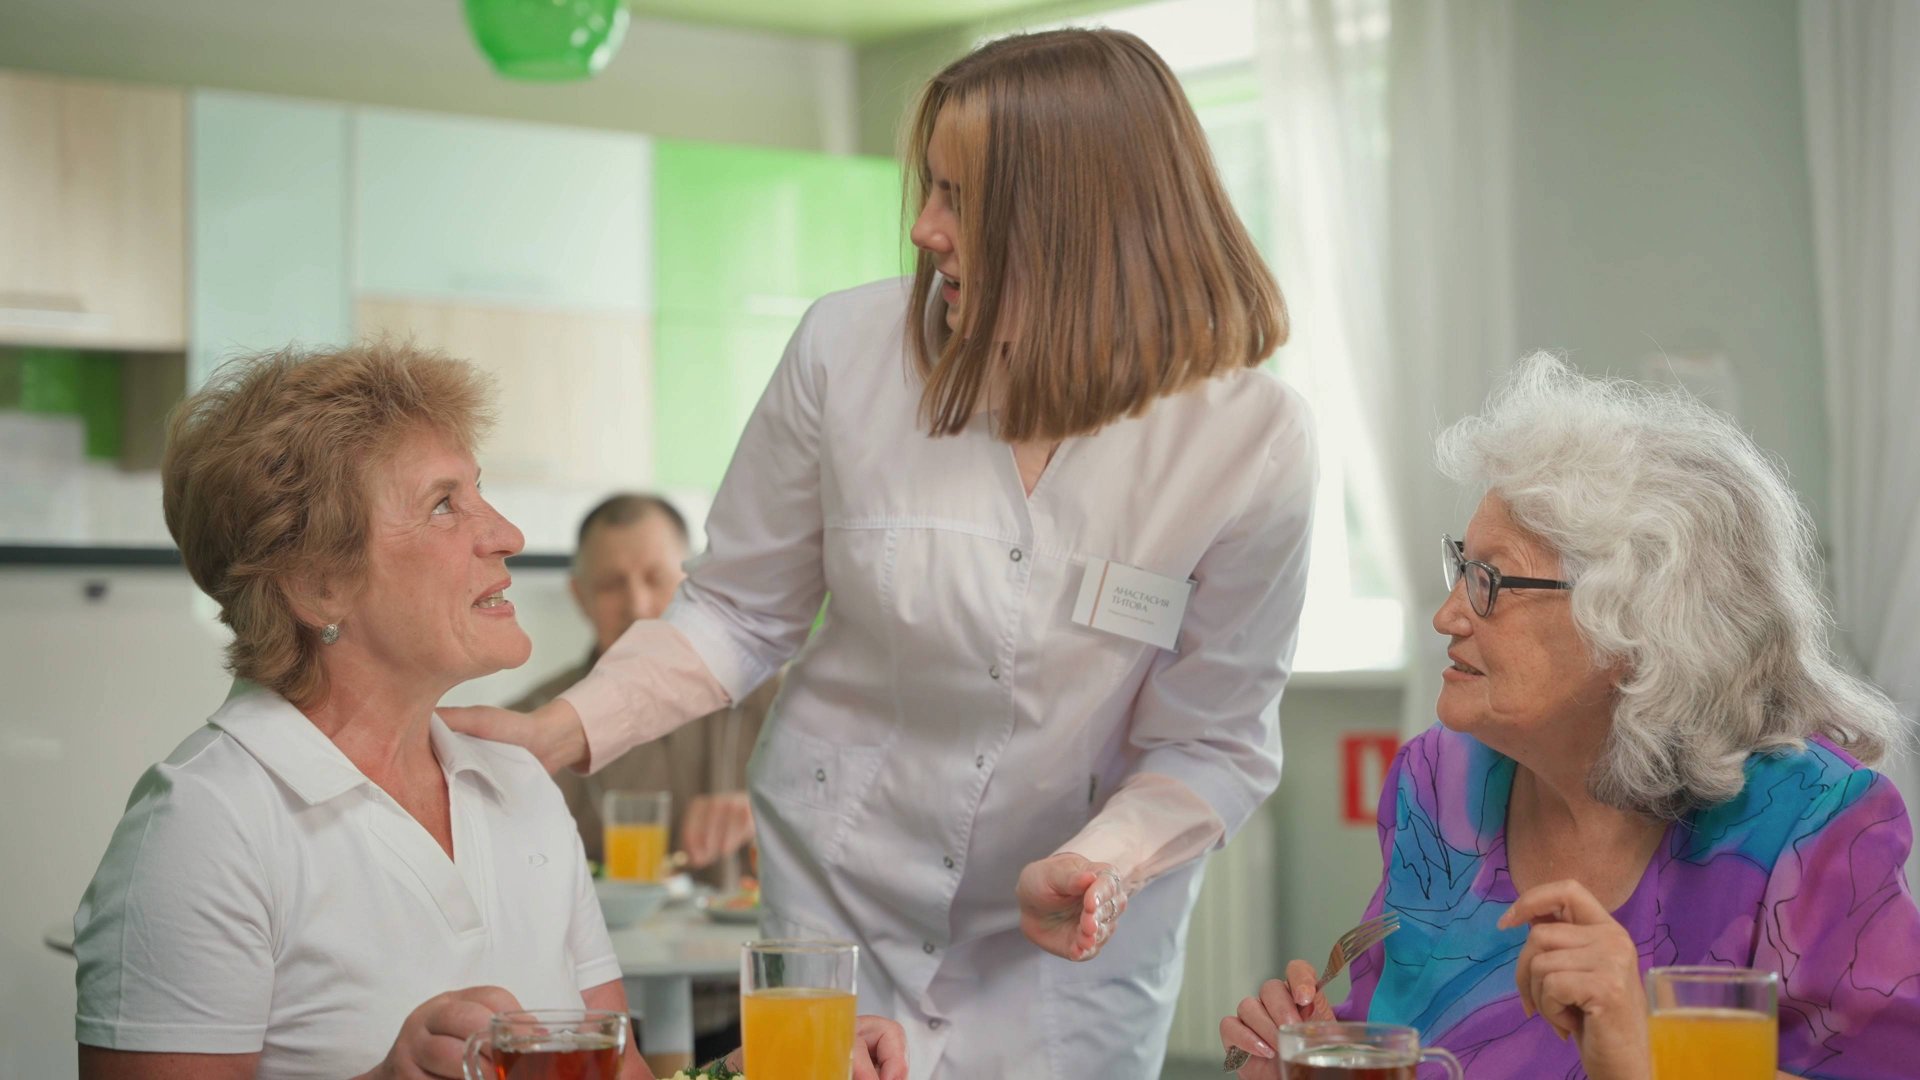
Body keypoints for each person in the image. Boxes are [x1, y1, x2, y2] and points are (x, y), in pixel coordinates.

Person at [444, 27, 1315, 1078]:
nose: (925, 227)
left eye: (960, 198)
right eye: (930, 187)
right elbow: (737, 611)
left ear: (1075, 225)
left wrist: (1101, 864)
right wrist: (565, 729)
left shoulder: (1249, 440)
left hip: (1067, 952)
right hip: (839, 899)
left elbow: (1213, 741)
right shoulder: (846, 352)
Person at [71, 343, 906, 1080]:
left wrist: (760, 1071)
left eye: (481, 492)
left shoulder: (513, 784)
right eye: (444, 504)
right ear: (317, 581)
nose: (505, 532)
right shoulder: (203, 826)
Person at [1220, 356, 1920, 1080]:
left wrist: (1642, 1062)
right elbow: (1403, 1038)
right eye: (1461, 567)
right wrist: (1314, 1060)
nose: (1448, 613)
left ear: (1634, 628)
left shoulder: (1811, 824)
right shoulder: (1440, 784)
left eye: (1491, 581)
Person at [510, 493, 774, 1064]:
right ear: (579, 595)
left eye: (656, 578)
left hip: (747, 1012)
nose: (637, 603)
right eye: (611, 584)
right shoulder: (537, 721)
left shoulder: (773, 701)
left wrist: (766, 811)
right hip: (599, 1022)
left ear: (693, 580)